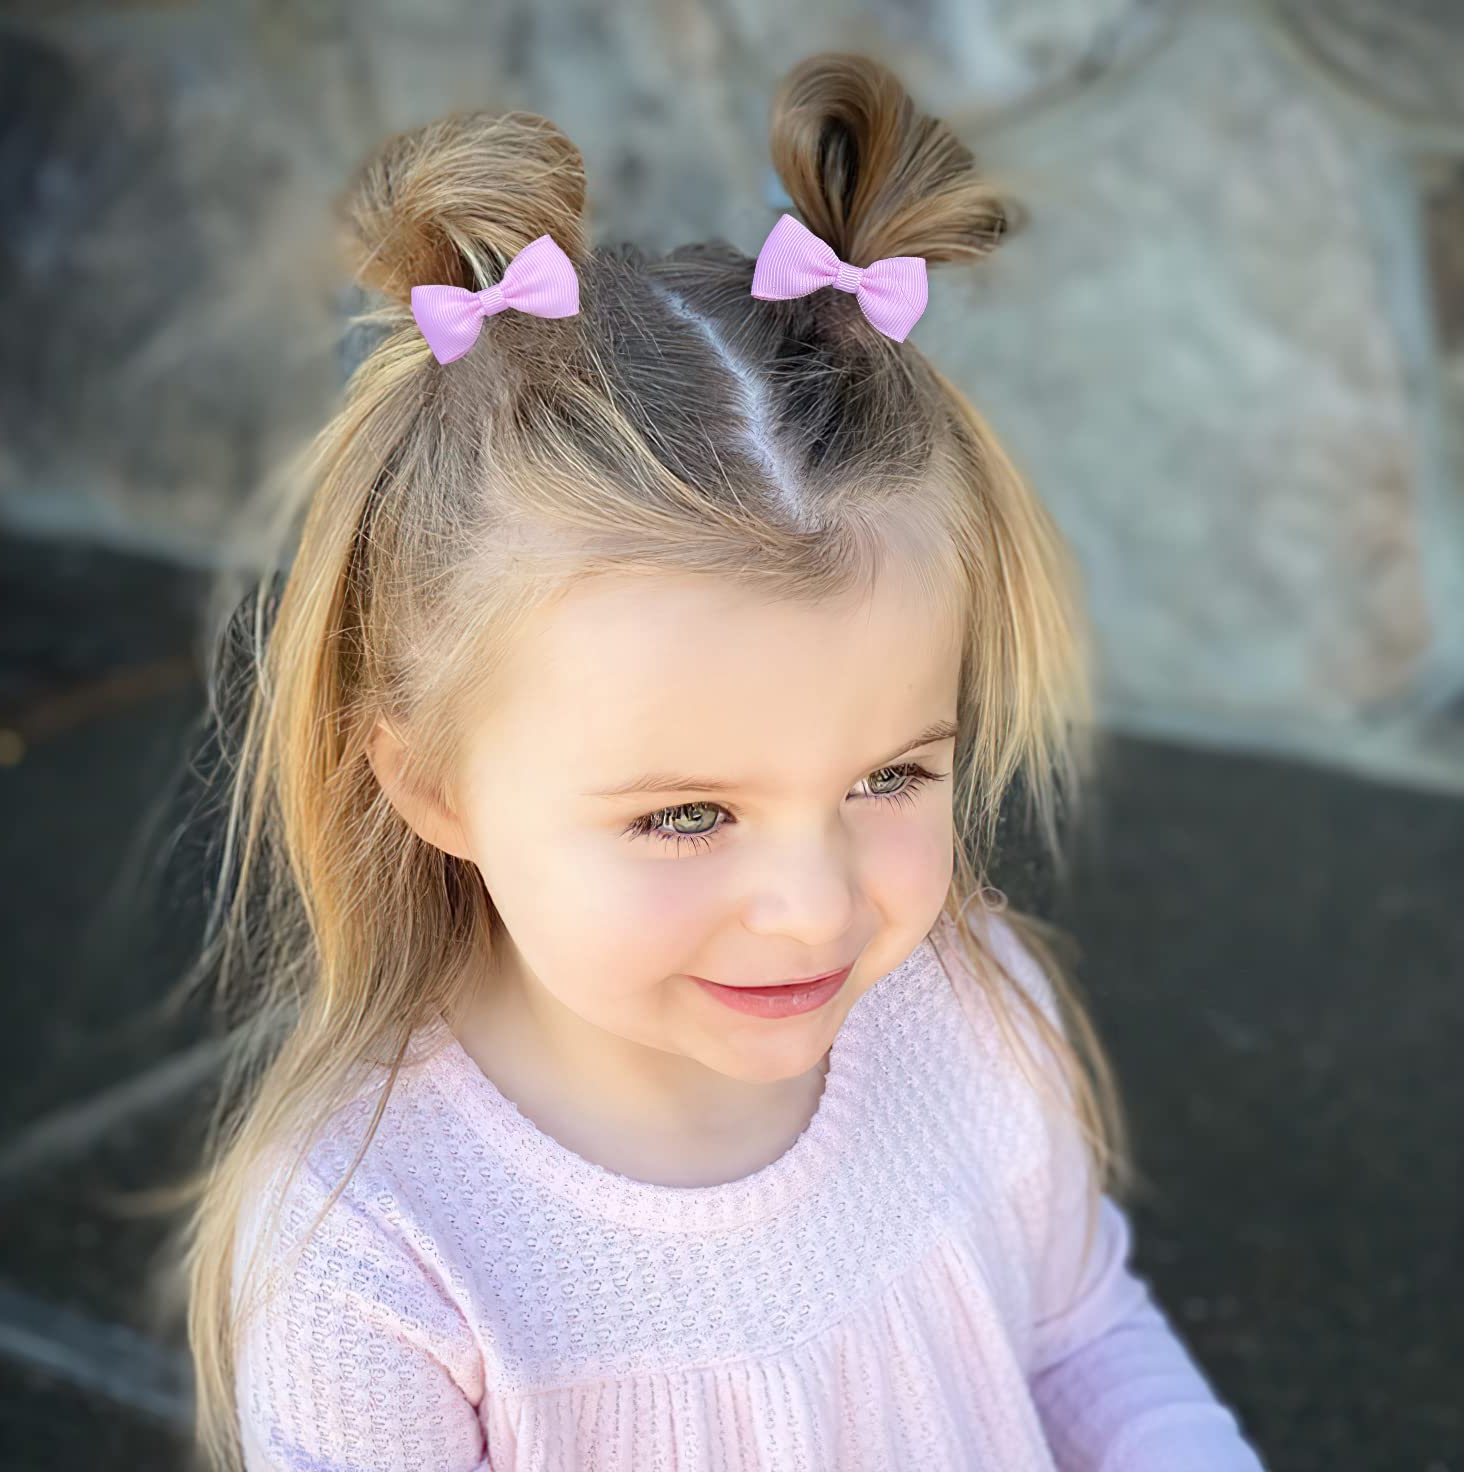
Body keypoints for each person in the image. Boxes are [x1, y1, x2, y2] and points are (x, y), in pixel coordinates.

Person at [160, 50, 1269, 1472]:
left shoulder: (974, 1018)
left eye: (889, 779)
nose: (815, 907)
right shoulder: (377, 1254)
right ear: (432, 783)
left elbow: (1078, 1336)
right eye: (687, 814)